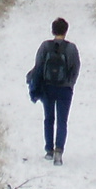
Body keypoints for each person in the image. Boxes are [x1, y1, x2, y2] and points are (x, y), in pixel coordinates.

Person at [32, 17, 80, 165]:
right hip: (64, 89)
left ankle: (48, 149)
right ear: (66, 31)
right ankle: (59, 150)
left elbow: (38, 66)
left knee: (48, 118)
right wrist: (70, 83)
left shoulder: (45, 46)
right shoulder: (71, 48)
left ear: (53, 30)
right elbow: (75, 68)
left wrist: (36, 84)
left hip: (48, 87)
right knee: (62, 120)